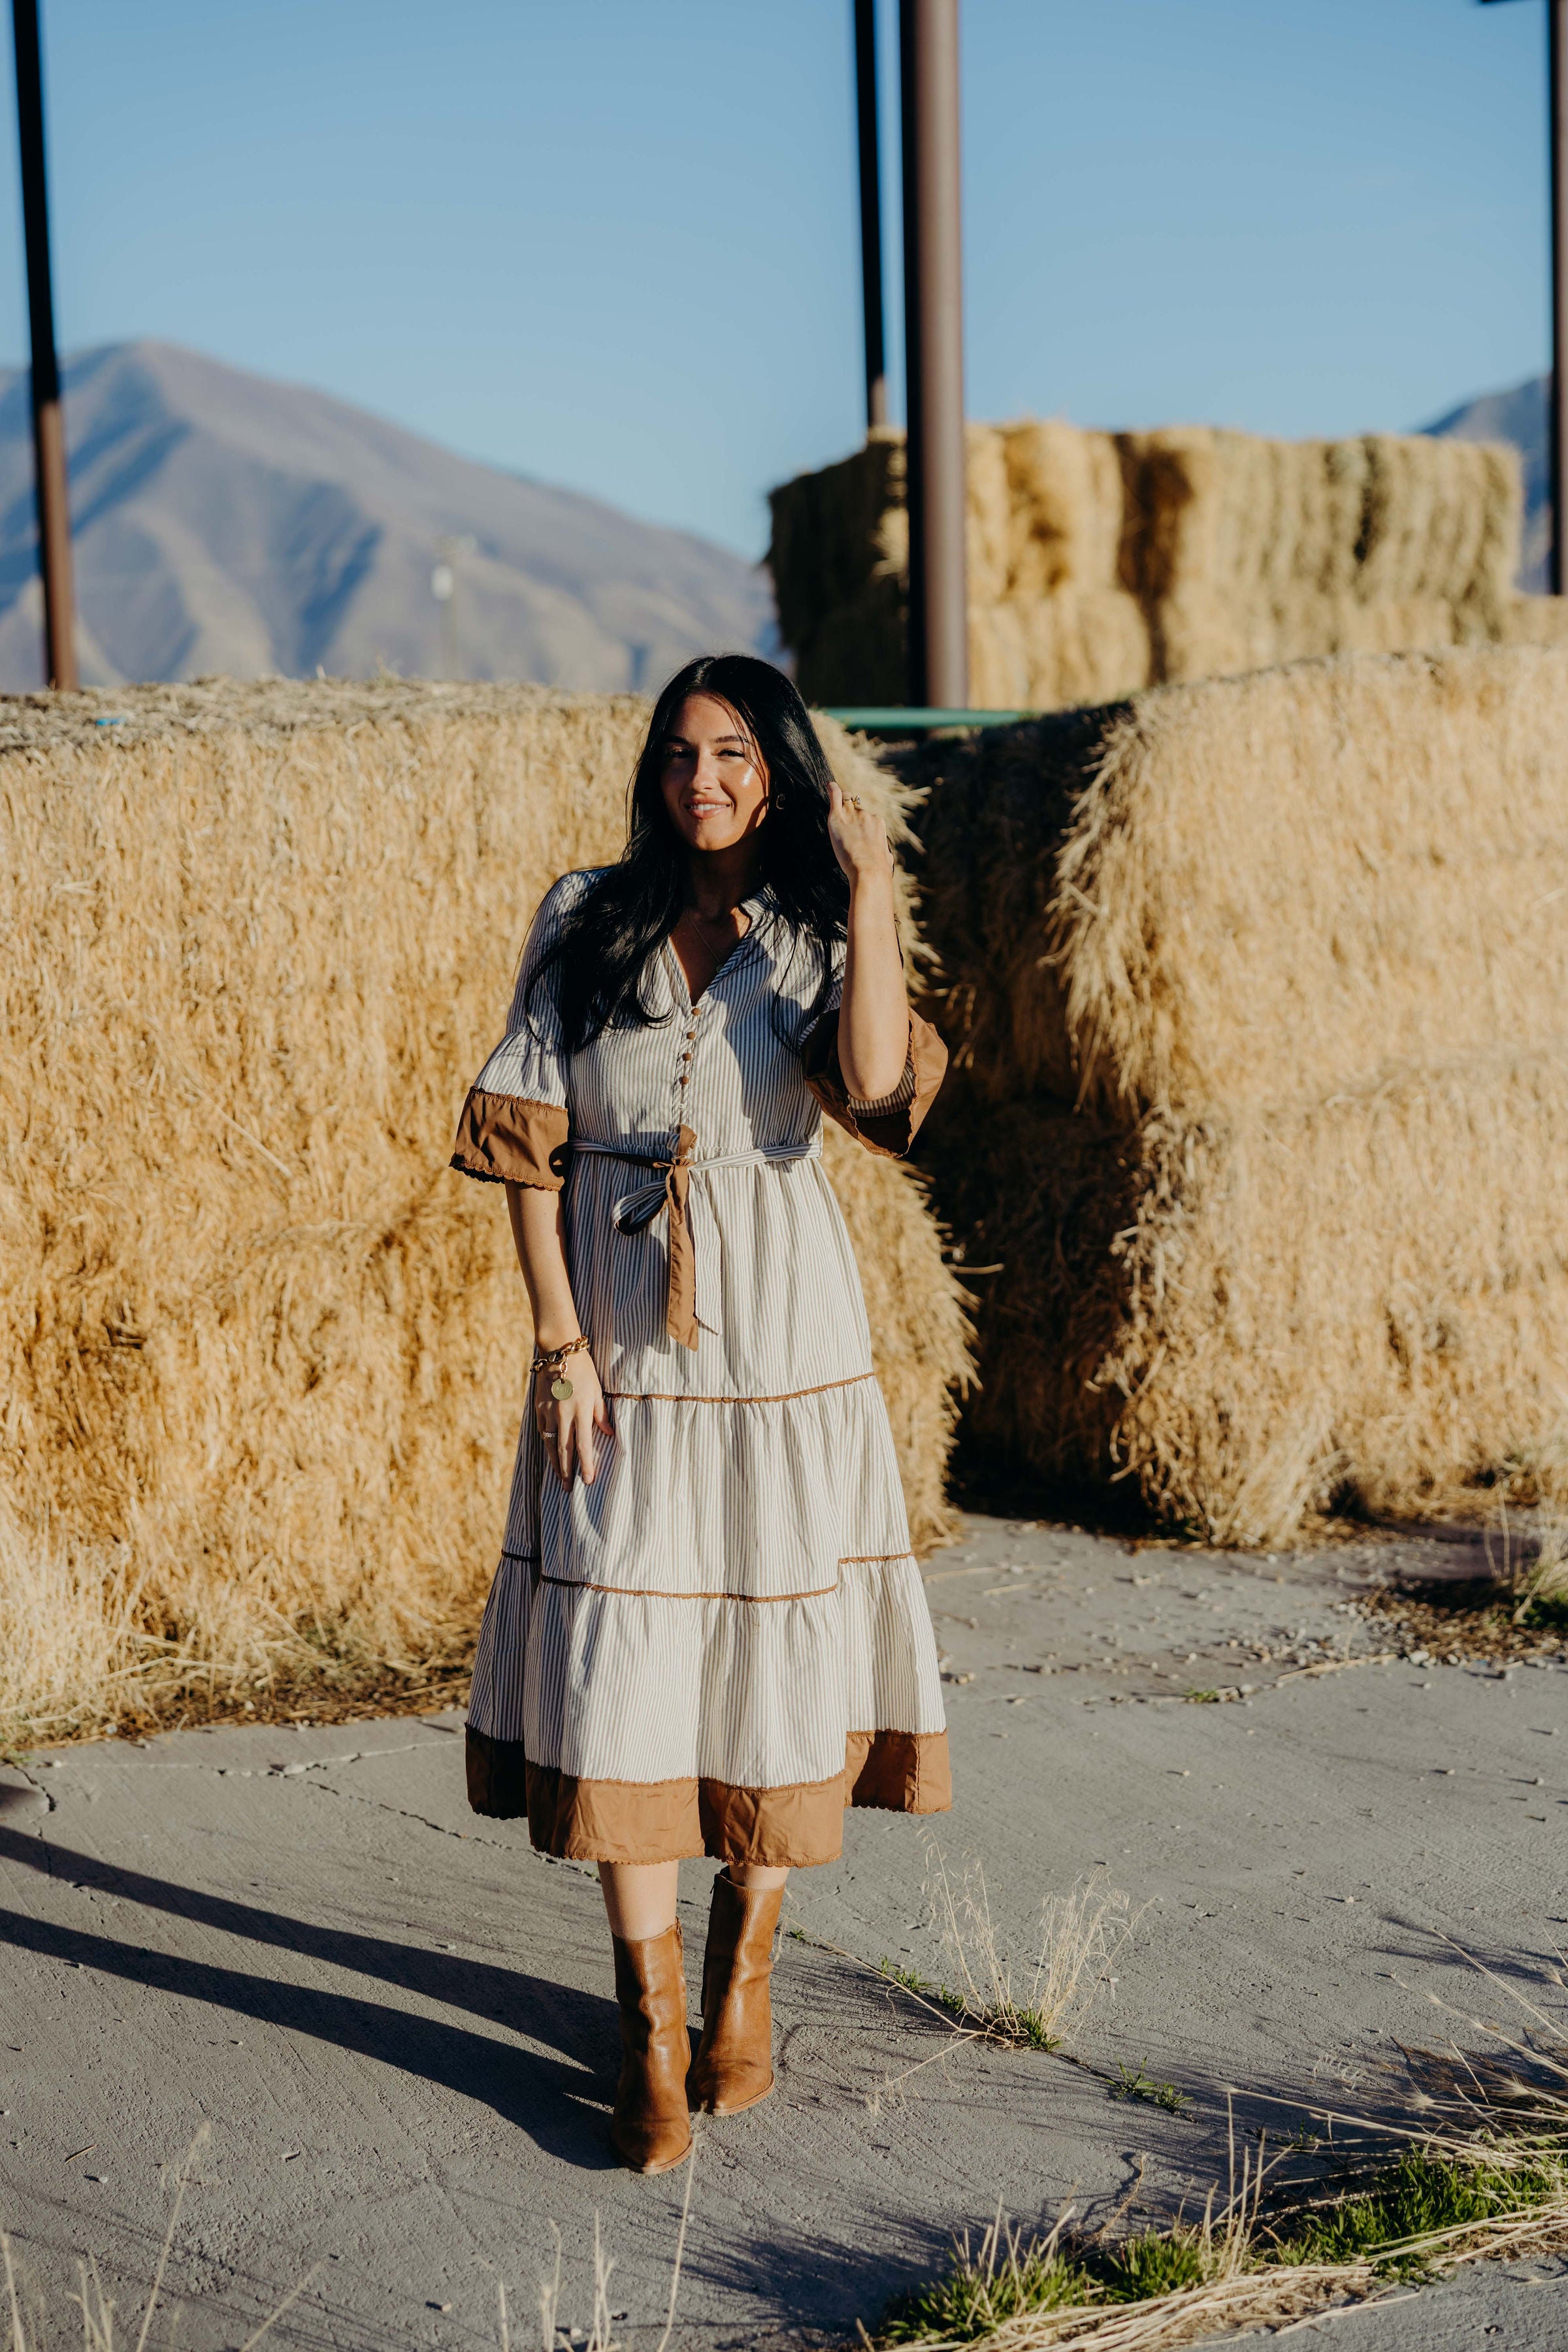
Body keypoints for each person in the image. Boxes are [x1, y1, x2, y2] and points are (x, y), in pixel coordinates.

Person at [449, 653, 951, 2174]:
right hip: (621, 1340)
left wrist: (871, 890)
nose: (702, 778)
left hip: (783, 1342)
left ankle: (745, 1977)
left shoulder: (814, 932)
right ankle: (648, 2031)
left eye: (733, 752)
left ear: (780, 771)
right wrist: (560, 1345)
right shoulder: (582, 914)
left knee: (768, 1641)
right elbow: (526, 1144)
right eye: (679, 750)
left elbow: (877, 1088)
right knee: (625, 1656)